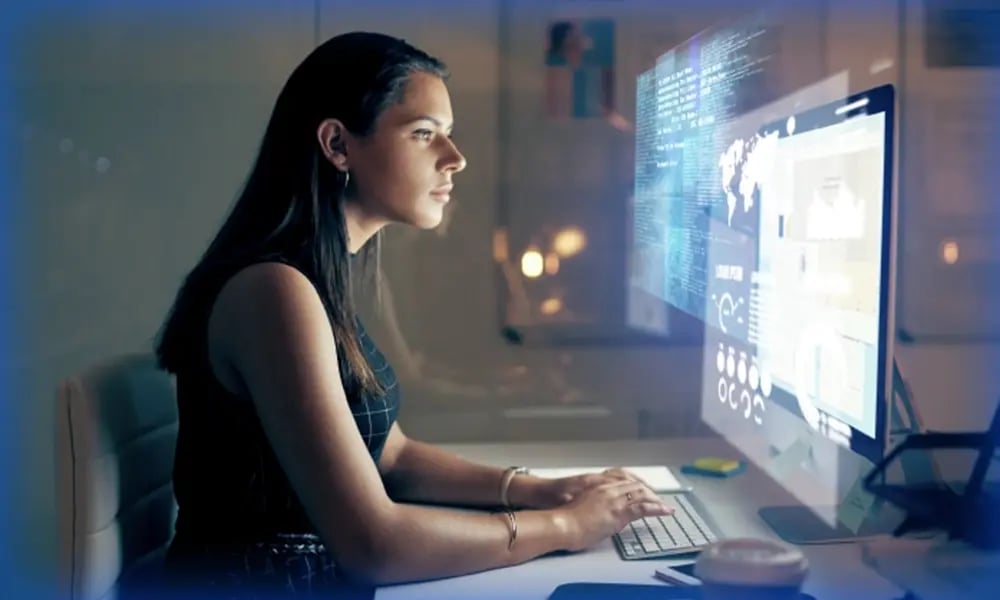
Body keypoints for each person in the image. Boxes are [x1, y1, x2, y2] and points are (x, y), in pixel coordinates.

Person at [154, 31, 672, 598]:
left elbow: (392, 456)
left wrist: (546, 491)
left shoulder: (314, 282)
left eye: (446, 134)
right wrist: (566, 526)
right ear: (337, 144)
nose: (456, 158)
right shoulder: (273, 293)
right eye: (424, 134)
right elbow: (373, 544)